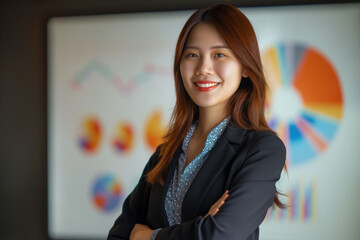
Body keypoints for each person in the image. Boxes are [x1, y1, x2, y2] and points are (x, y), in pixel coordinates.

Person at [107, 3, 286, 240]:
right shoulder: (165, 154)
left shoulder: (263, 150)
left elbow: (220, 235)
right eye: (192, 55)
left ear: (245, 66)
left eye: (219, 54)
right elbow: (119, 236)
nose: (203, 68)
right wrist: (199, 228)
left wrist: (148, 237)